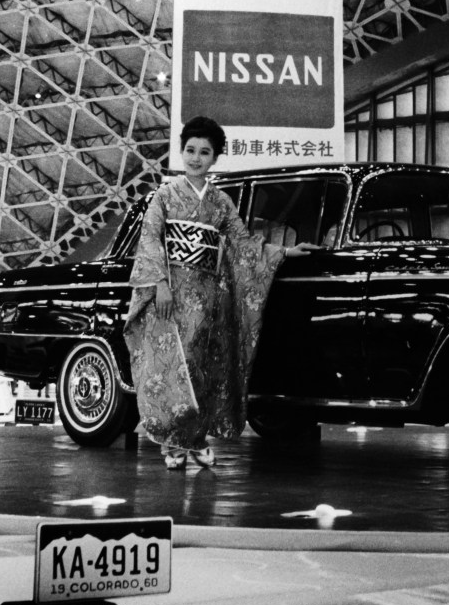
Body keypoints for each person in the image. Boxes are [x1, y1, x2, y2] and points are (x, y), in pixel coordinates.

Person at [123, 116, 320, 470]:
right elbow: (151, 239)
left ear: (215, 158)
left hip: (208, 298)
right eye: (190, 150)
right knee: (170, 369)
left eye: (204, 152)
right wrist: (161, 286)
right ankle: (173, 440)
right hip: (170, 294)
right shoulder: (164, 196)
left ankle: (194, 439)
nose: (196, 158)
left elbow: (244, 245)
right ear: (182, 152)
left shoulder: (221, 203)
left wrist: (287, 252)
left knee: (200, 368)